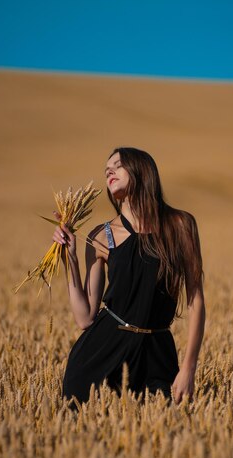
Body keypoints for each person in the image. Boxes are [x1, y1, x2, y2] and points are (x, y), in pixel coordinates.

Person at [52, 147, 205, 409]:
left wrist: (189, 367)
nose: (109, 171)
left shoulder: (180, 226)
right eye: (106, 169)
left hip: (156, 351)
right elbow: (85, 317)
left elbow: (196, 301)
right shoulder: (100, 236)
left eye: (117, 165)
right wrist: (71, 259)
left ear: (142, 170)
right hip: (101, 352)